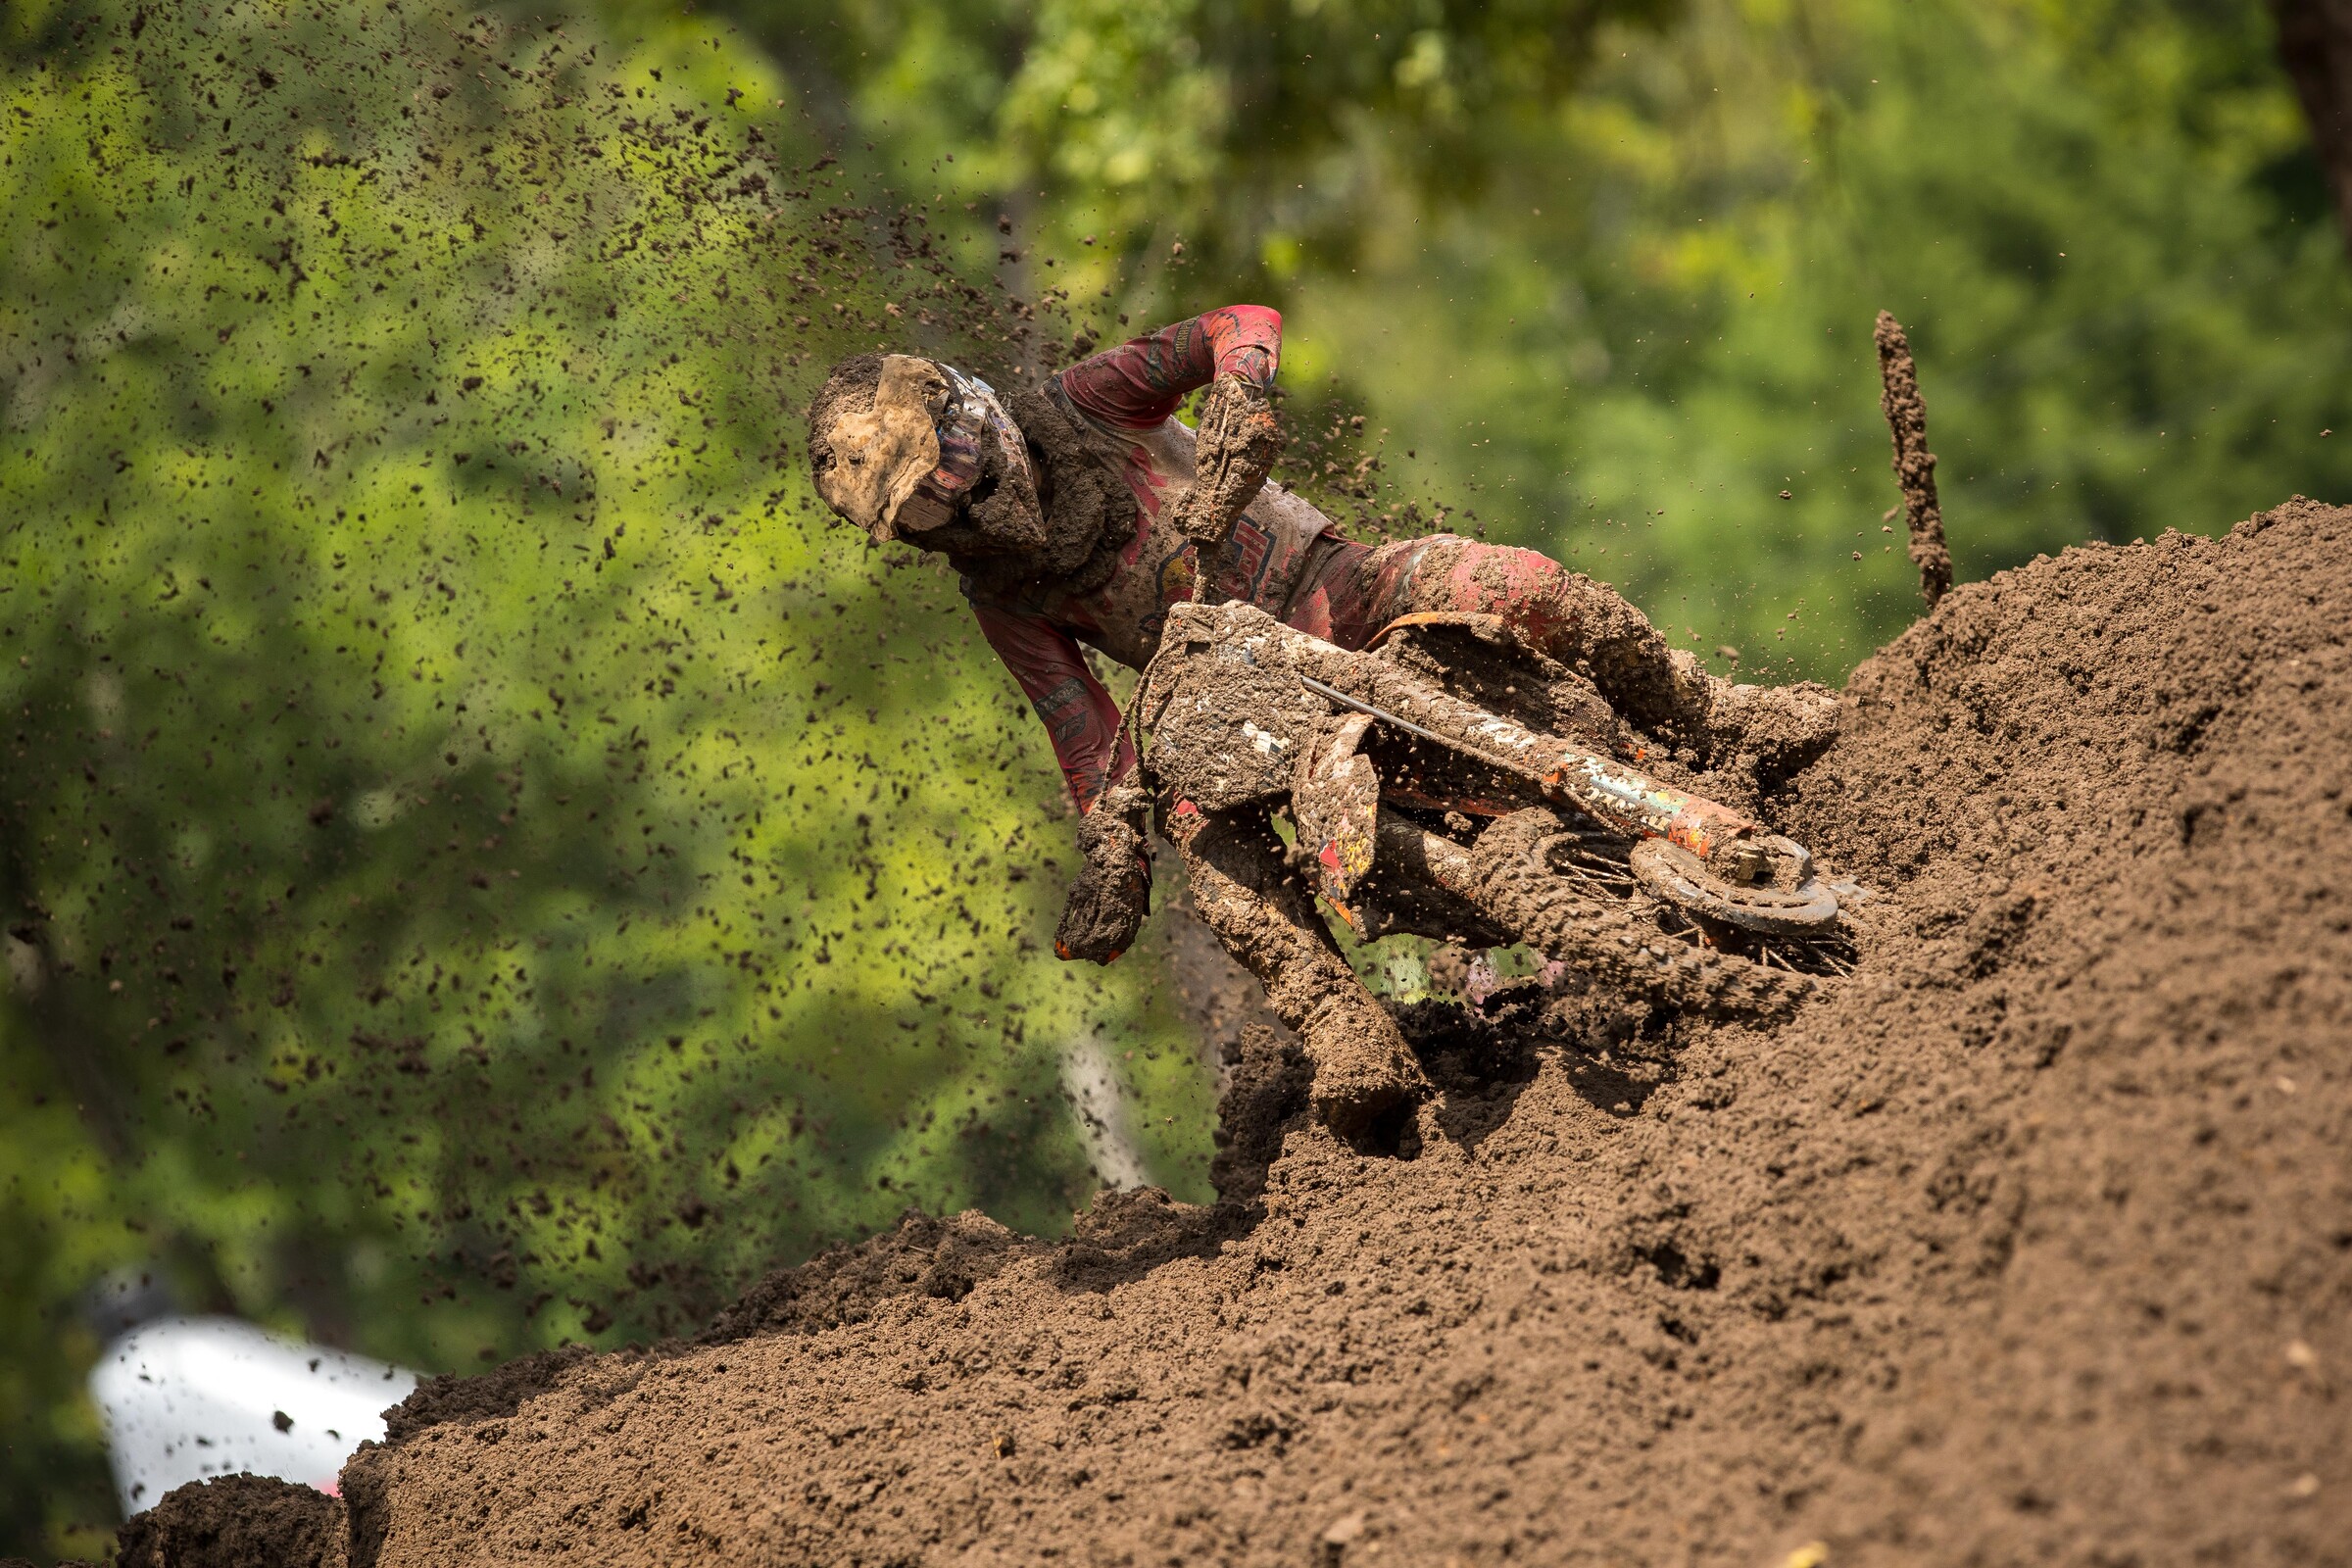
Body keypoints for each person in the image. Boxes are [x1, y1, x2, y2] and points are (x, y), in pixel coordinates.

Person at [805, 305, 1837, 966]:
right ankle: (1347, 1030)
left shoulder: (1088, 404)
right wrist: (1113, 843)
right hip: (1246, 713)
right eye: (922, 520)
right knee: (1216, 861)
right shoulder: (1001, 595)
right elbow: (1083, 729)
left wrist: (1244, 388)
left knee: (1512, 581)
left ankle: (1719, 711)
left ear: (969, 421)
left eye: (945, 480)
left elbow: (1236, 320)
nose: (958, 513)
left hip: (1339, 588)